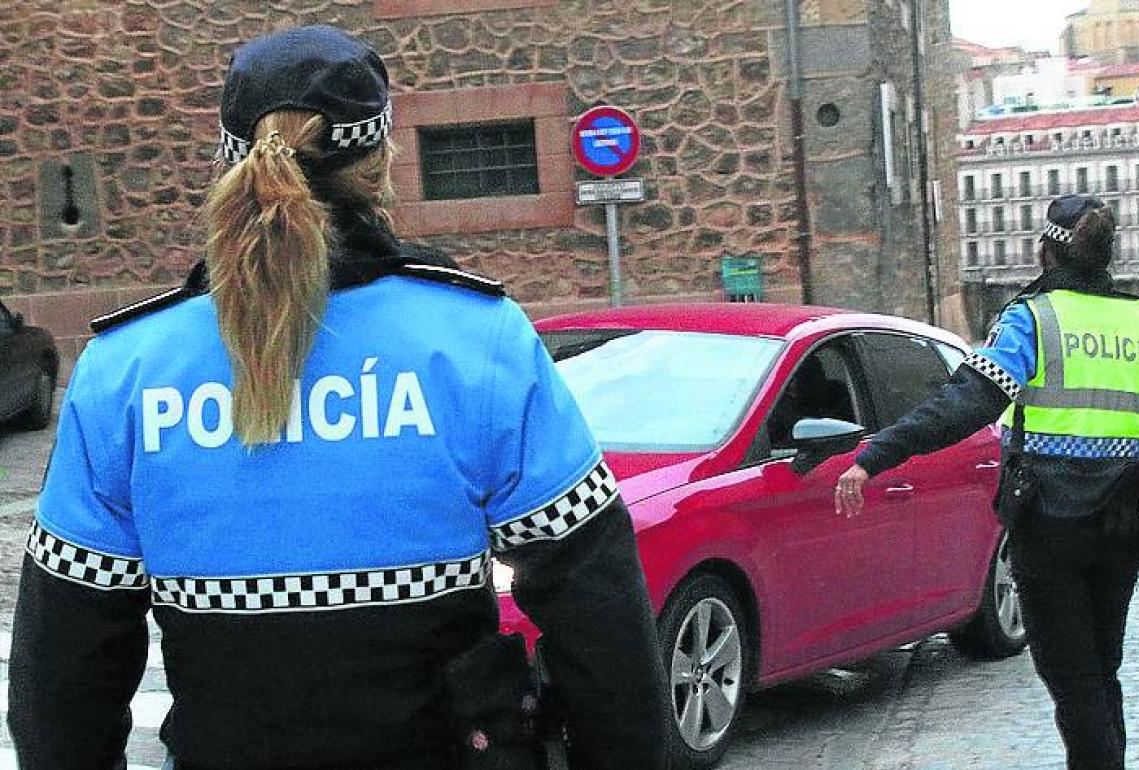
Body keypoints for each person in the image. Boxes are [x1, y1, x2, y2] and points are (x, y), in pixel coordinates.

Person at [8, 25, 668, 770]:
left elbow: (62, 671)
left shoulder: (125, 367)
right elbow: (598, 610)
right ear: (380, 159)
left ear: (228, 155)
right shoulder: (474, 338)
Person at [834, 195, 1139, 770]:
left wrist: (878, 453)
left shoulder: (1033, 320)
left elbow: (964, 404)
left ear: (1048, 250)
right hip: (1121, 522)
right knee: (1101, 672)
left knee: (1072, 678)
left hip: (1047, 525)